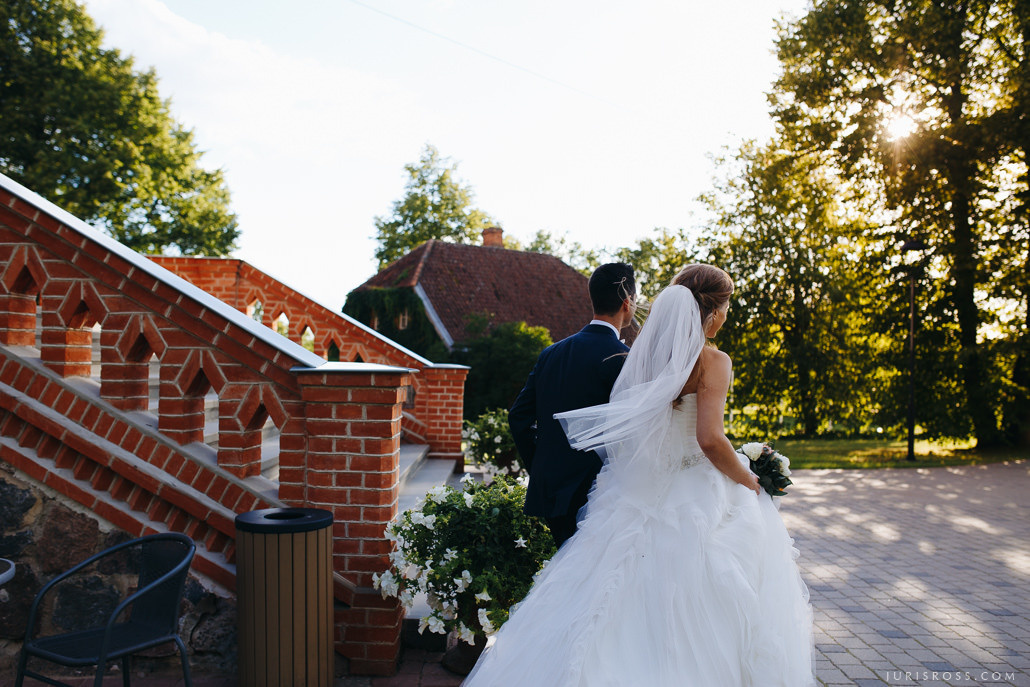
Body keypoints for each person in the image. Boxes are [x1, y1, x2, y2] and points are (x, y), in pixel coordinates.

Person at [464, 264, 814, 687]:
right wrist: (748, 478)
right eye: (727, 306)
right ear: (711, 311)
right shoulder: (713, 361)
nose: (727, 316)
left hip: (636, 491)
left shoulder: (644, 359)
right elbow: (710, 439)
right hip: (694, 492)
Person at [509, 262, 636, 548]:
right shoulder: (624, 359)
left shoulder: (551, 353)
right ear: (627, 303)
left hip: (552, 492)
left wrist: (542, 465)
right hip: (600, 493)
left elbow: (519, 417)